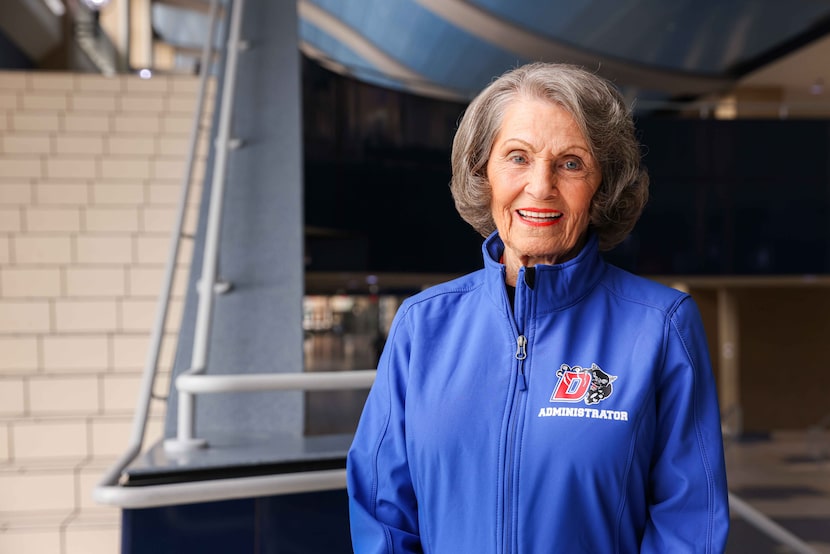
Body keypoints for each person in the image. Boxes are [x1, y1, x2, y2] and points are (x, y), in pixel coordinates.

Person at [347, 62, 729, 553]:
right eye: (517, 157)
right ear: (483, 171)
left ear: (602, 187)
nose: (541, 185)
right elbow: (382, 514)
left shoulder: (661, 328)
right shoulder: (422, 327)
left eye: (571, 163)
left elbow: (689, 526)